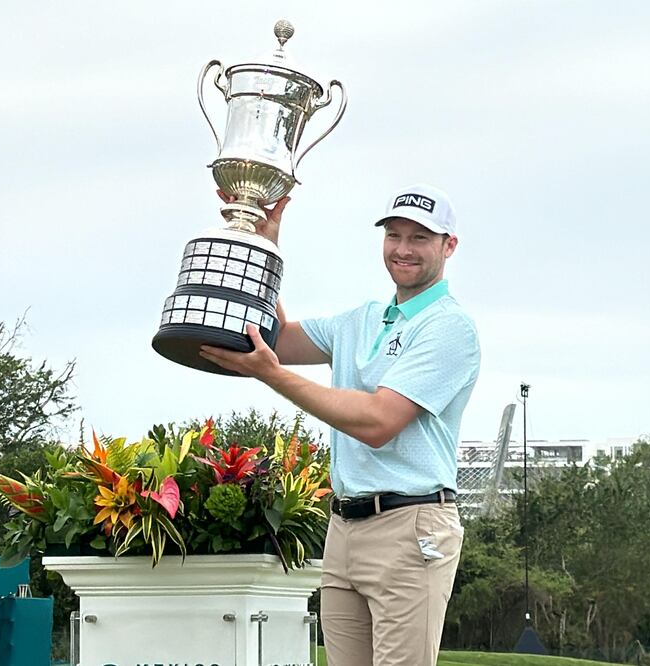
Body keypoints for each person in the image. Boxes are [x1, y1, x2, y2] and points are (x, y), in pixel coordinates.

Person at [200, 184, 480, 666]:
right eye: (394, 235)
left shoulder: (448, 326)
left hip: (410, 528)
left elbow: (378, 422)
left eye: (420, 238)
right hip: (344, 528)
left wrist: (273, 377)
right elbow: (274, 341)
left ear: (448, 246)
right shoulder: (362, 320)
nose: (403, 249)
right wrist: (265, 251)